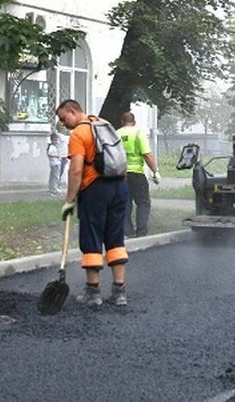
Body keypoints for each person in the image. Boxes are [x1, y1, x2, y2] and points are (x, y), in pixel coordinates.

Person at [55, 98, 129, 307]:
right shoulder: (104, 124)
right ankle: (119, 291)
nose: (63, 124)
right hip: (119, 187)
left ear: (72, 111)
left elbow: (76, 170)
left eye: (63, 118)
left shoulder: (79, 133)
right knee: (115, 239)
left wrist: (69, 200)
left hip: (95, 189)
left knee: (92, 237)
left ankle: (93, 292)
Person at [117, 112, 160, 238]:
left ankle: (127, 232)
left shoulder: (116, 134)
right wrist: (155, 171)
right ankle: (141, 233)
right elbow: (147, 154)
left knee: (125, 203)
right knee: (143, 203)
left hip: (120, 175)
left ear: (121, 122)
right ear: (134, 122)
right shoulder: (138, 133)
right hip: (137, 174)